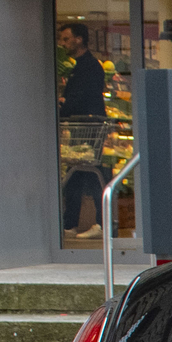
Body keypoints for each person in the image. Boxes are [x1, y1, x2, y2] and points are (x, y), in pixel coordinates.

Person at [58, 23, 111, 238]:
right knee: (79, 174)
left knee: (89, 174)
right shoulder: (82, 66)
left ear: (79, 39)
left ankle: (98, 223)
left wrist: (63, 106)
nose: (63, 44)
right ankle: (71, 223)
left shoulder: (88, 67)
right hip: (84, 125)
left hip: (89, 125)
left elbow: (80, 97)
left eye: (66, 39)